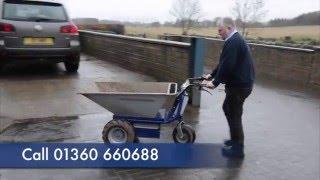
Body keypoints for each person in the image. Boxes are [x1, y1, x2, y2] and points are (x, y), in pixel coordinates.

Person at [202, 17, 255, 158]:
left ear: (229, 28)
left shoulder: (233, 42)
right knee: (229, 109)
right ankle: (234, 141)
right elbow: (224, 63)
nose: (219, 33)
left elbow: (228, 66)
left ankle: (238, 150)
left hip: (239, 86)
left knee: (233, 113)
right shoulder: (233, 40)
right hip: (241, 85)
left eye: (221, 30)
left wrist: (215, 82)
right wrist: (212, 75)